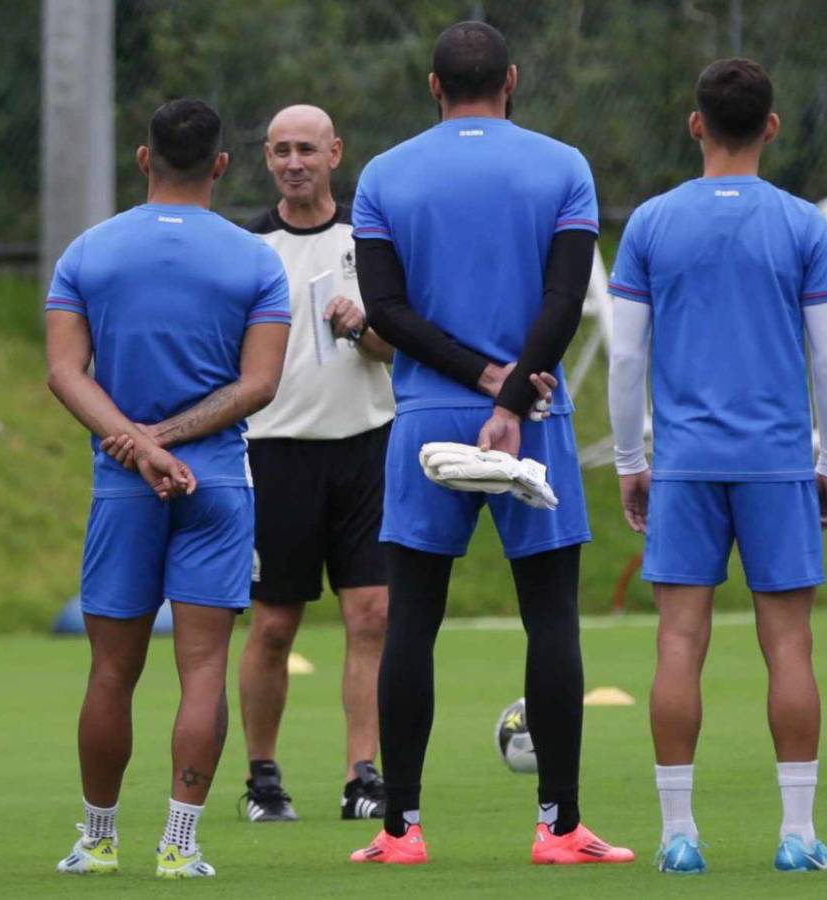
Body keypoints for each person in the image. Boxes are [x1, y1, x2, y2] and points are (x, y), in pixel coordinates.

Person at [347, 21, 634, 866]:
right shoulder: (562, 164)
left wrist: (475, 381)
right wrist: (511, 390)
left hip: (429, 415)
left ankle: (400, 830)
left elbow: (386, 311)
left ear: (433, 87)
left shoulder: (385, 173)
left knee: (412, 624)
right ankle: (560, 827)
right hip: (536, 408)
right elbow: (565, 295)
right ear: (510, 80)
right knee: (551, 619)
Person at [608, 58, 827, 875]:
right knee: (790, 648)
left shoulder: (649, 223)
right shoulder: (802, 226)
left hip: (684, 467)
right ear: (772, 127)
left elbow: (625, 360)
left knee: (679, 642)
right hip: (777, 464)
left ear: (696, 124)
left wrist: (631, 460)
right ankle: (796, 834)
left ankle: (680, 837)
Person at [45, 98, 290, 878]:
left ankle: (97, 839)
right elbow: (260, 384)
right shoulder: (256, 259)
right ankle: (180, 847)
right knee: (204, 670)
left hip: (124, 489)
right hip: (215, 482)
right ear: (221, 166)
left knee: (111, 671)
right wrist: (173, 442)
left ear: (144, 159)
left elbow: (62, 372)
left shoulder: (89, 250)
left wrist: (137, 445)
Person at [238, 104, 395, 823]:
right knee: (274, 624)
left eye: (307, 149)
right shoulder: (247, 249)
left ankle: (363, 774)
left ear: (335, 152)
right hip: (276, 451)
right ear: (266, 160)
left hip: (367, 444)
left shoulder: (372, 236)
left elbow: (405, 345)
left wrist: (363, 328)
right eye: (280, 151)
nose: (294, 162)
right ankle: (262, 778)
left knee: (372, 613)